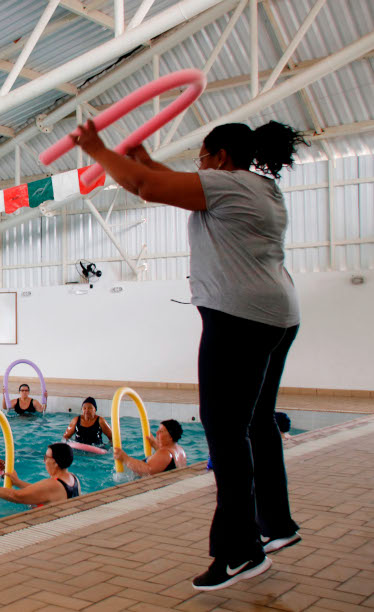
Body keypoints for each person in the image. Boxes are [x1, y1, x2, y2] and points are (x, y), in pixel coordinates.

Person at [72, 119, 305, 590]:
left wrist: (97, 149)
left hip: (240, 320)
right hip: (281, 316)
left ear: (220, 157)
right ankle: (276, 524)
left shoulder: (227, 185)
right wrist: (146, 161)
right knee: (257, 422)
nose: (199, 164)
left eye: (202, 155)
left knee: (225, 433)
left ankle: (241, 552)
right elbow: (163, 179)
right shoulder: (262, 188)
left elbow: (145, 188)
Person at [0, 443, 79, 506]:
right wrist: (18, 482)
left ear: (55, 462)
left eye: (46, 458)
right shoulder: (73, 478)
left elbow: (17, 496)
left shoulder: (53, 484)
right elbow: (41, 491)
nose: (44, 461)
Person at [112, 420, 187, 476]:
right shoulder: (180, 450)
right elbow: (166, 464)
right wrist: (155, 445)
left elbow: (148, 470)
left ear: (170, 437)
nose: (157, 433)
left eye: (161, 431)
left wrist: (125, 458)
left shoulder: (165, 453)